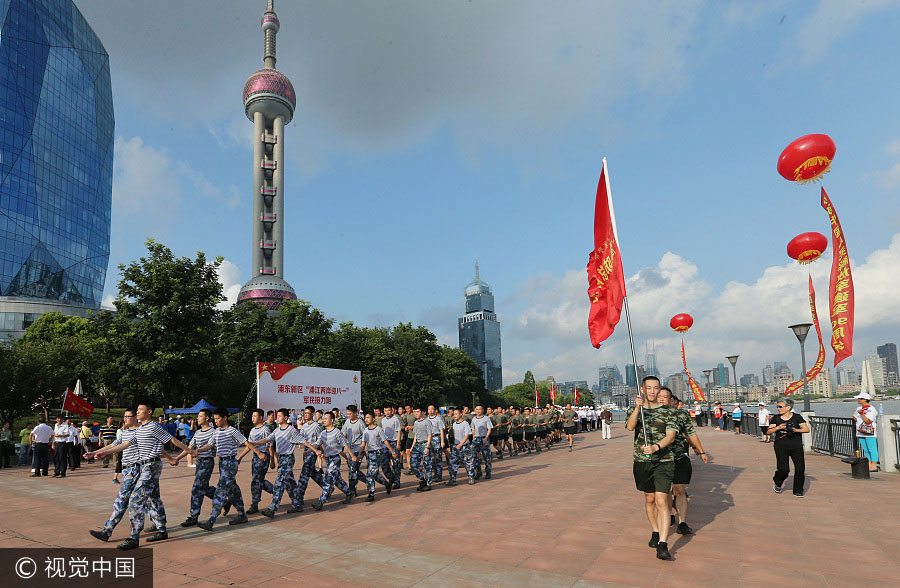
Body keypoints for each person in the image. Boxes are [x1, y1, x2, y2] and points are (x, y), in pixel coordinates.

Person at [86, 408, 168, 544]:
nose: (125, 419)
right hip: (129, 470)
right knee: (153, 499)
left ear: (136, 417)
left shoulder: (140, 432)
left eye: (128, 416)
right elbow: (113, 445)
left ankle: (109, 530)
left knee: (123, 500)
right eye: (124, 416)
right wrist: (95, 452)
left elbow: (157, 446)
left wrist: (169, 457)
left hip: (136, 470)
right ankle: (161, 527)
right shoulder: (125, 432)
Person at [625, 376, 678, 561]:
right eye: (649, 388)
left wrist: (656, 447)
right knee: (649, 499)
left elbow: (670, 436)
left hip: (664, 460)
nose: (653, 391)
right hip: (642, 461)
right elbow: (630, 427)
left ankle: (663, 544)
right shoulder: (636, 410)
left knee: (662, 501)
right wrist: (638, 408)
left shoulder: (668, 412)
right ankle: (655, 531)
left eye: (656, 388)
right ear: (642, 389)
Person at [195, 408, 264, 530]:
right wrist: (198, 450)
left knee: (220, 490)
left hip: (230, 462)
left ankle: (211, 520)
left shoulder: (232, 431)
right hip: (222, 463)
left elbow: (246, 442)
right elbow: (210, 445)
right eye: (214, 418)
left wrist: (258, 453)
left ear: (224, 418)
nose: (215, 421)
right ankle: (242, 515)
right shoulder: (216, 432)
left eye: (217, 418)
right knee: (233, 490)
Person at [658, 388, 708, 536]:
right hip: (662, 458)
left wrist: (700, 450)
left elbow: (690, 433)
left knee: (679, 489)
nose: (662, 400)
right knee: (666, 491)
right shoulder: (651, 415)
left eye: (666, 397)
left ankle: (682, 522)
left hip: (680, 456)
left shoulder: (682, 415)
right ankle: (668, 516)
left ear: (671, 400)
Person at [252, 408, 305, 517]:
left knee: (279, 484)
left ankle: (273, 508)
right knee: (289, 483)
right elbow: (267, 439)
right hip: (282, 458)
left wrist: (314, 450)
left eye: (280, 416)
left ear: (286, 418)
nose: (277, 418)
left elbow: (304, 441)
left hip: (288, 458)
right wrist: (255, 443)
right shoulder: (277, 430)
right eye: (277, 416)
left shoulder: (291, 430)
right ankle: (297, 502)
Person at [173, 408, 217, 526]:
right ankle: (223, 500)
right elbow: (189, 448)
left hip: (207, 462)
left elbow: (209, 445)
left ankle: (194, 516)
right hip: (200, 463)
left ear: (207, 418)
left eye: (200, 416)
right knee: (204, 488)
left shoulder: (213, 432)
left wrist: (199, 450)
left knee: (197, 488)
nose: (197, 418)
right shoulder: (197, 433)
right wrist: (177, 458)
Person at [307, 411, 357, 510]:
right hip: (328, 459)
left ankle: (321, 501)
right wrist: (310, 450)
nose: (324, 421)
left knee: (328, 479)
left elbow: (345, 445)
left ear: (332, 420)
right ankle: (349, 493)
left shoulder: (337, 432)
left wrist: (352, 456)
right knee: (337, 480)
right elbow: (317, 443)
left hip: (335, 459)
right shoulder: (323, 433)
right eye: (324, 419)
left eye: (326, 419)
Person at [767, 398, 810, 498]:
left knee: (800, 469)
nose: (778, 408)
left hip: (796, 446)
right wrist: (778, 428)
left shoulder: (797, 417)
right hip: (781, 446)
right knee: (784, 469)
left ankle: (798, 491)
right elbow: (768, 432)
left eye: (780, 406)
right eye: (777, 406)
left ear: (788, 407)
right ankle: (778, 482)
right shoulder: (776, 418)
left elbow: (806, 429)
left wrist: (795, 430)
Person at [237, 408, 275, 514]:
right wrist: (240, 457)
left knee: (256, 480)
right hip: (255, 457)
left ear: (261, 417)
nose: (252, 418)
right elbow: (249, 446)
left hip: (263, 457)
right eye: (252, 416)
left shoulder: (265, 430)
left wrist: (272, 460)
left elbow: (270, 446)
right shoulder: (253, 430)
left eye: (255, 416)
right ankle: (276, 491)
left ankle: (254, 504)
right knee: (259, 480)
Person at [359, 411, 394, 501]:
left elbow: (385, 441)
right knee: (375, 474)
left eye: (368, 417)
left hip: (378, 453)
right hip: (370, 454)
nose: (366, 419)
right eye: (365, 418)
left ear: (373, 419)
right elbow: (363, 443)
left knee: (370, 474)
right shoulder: (365, 430)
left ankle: (371, 493)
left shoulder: (378, 429)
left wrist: (392, 451)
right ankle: (386, 484)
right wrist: (359, 454)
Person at [342, 405, 367, 496]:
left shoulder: (360, 423)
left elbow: (365, 437)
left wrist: (363, 450)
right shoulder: (347, 422)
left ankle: (352, 491)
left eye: (350, 414)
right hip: (350, 449)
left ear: (355, 413)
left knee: (352, 470)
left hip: (358, 449)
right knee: (353, 470)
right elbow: (343, 433)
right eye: (347, 414)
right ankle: (368, 481)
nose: (348, 415)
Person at [447, 407, 475, 486]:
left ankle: (471, 477)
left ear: (461, 414)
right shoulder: (454, 424)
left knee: (468, 463)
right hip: (456, 446)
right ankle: (452, 479)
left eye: (456, 414)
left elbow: (467, 435)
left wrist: (461, 444)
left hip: (464, 446)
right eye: (454, 414)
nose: (454, 415)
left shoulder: (465, 423)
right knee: (452, 463)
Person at [409, 407, 434, 491]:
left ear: (422, 412)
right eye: (414, 412)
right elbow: (415, 435)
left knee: (427, 465)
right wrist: (412, 446)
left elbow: (430, 434)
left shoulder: (427, 422)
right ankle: (422, 479)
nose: (416, 413)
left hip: (425, 444)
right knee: (413, 464)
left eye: (417, 412)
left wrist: (427, 446)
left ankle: (428, 483)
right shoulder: (416, 422)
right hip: (417, 445)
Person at [853, 392, 879, 472]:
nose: (858, 400)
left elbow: (868, 421)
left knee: (872, 449)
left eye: (860, 398)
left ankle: (874, 465)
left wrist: (862, 415)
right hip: (860, 431)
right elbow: (854, 416)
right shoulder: (859, 408)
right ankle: (869, 464)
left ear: (865, 400)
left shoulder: (871, 409)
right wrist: (857, 418)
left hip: (869, 431)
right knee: (866, 449)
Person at [380, 406, 402, 489]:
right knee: (384, 463)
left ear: (392, 411)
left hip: (394, 442)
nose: (387, 412)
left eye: (389, 410)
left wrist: (398, 444)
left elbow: (399, 431)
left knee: (396, 464)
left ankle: (397, 481)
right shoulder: (383, 420)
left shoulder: (395, 419)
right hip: (385, 443)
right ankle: (391, 478)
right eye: (386, 410)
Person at [471, 405, 493, 479]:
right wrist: (473, 439)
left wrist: (486, 438)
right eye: (476, 409)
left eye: (479, 409)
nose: (478, 411)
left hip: (484, 438)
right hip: (476, 439)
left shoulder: (486, 418)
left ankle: (488, 472)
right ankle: (478, 472)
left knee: (486, 457)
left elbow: (489, 429)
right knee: (474, 457)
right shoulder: (473, 419)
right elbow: (473, 430)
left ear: (482, 410)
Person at [426, 404, 445, 481]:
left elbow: (441, 430)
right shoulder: (426, 419)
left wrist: (442, 441)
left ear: (435, 410)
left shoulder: (438, 419)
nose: (430, 411)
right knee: (430, 458)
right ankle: (434, 473)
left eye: (432, 409)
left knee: (438, 457)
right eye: (429, 409)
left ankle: (439, 475)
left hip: (436, 438)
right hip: (429, 439)